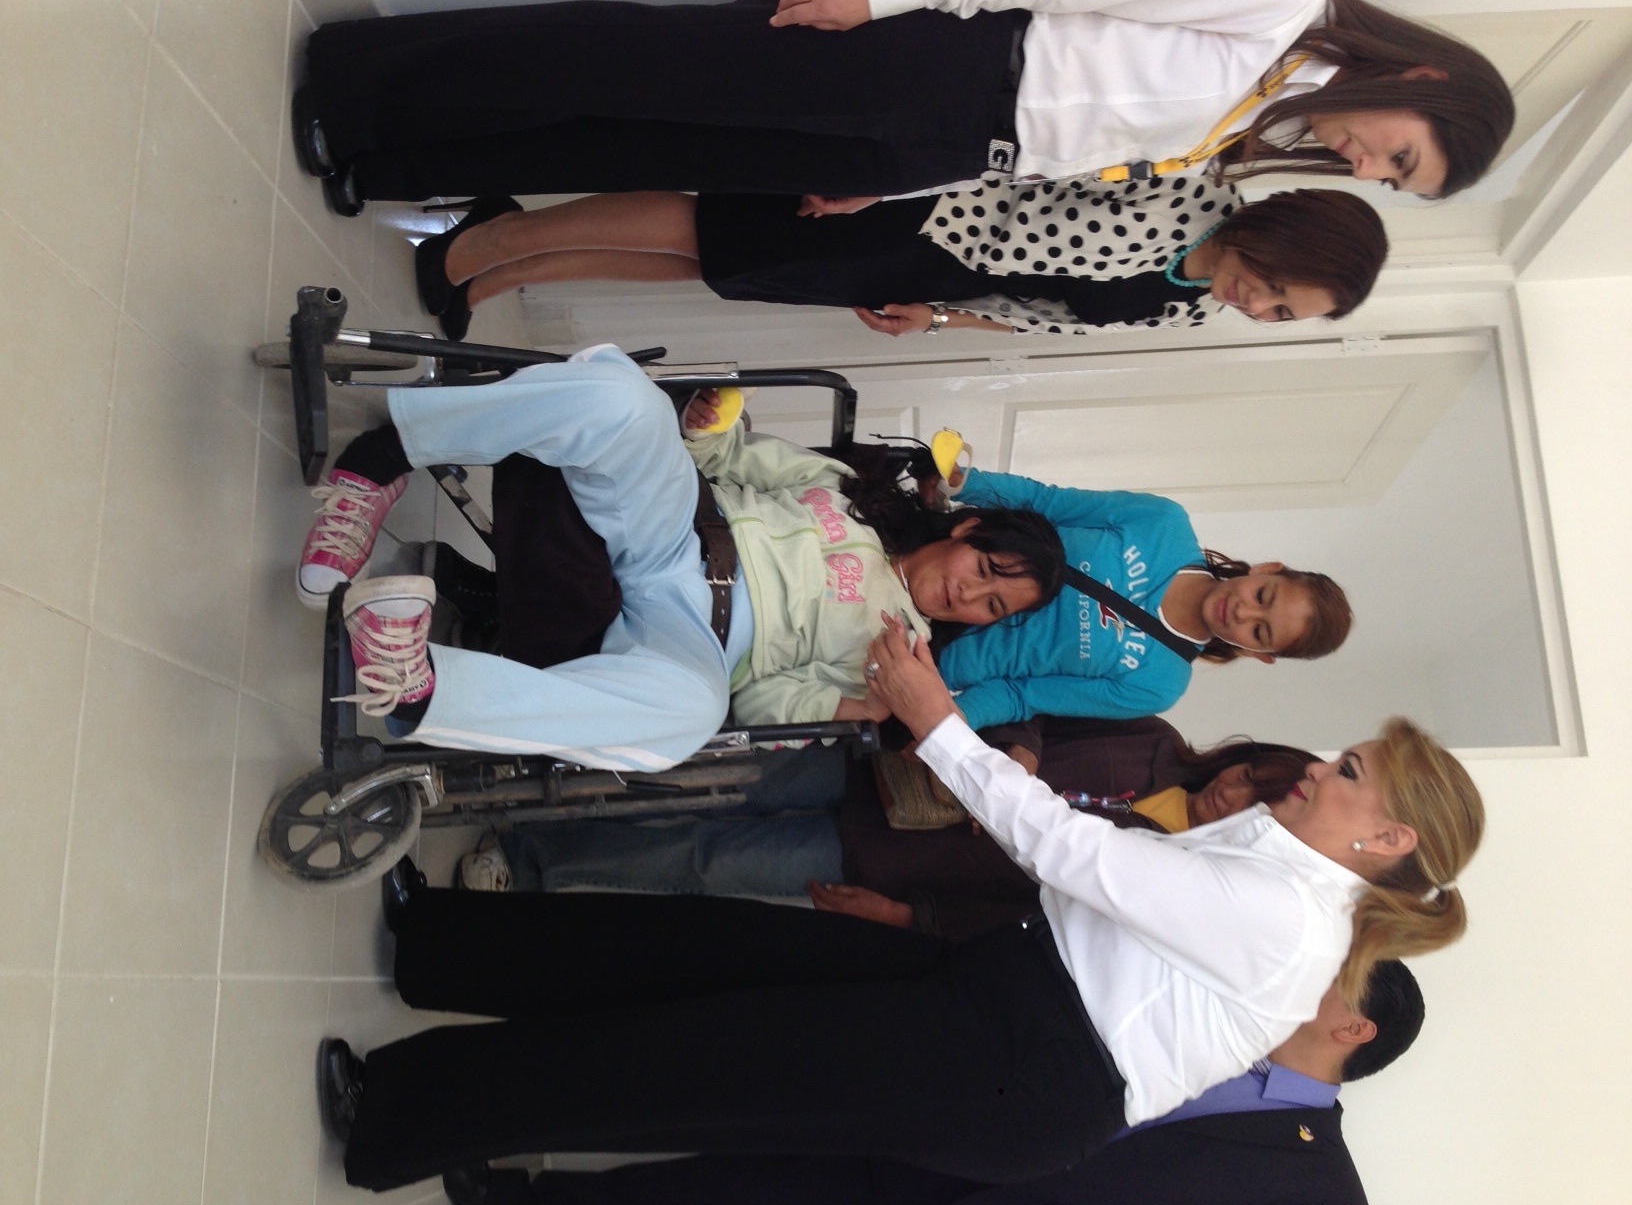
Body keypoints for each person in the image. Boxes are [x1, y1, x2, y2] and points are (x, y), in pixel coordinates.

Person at [314, 692, 1481, 1190]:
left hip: (1019, 1068)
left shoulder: (1295, 923)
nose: (1320, 767)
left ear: (1385, 837)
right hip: (996, 988)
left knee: (695, 1061)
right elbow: (1090, 896)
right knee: (703, 950)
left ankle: (393, 1114)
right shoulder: (1276, 863)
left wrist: (942, 729)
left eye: (1348, 771)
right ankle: (444, 943)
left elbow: (1080, 862)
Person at [295, 345, 1063, 771]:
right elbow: (724, 459)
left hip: (699, 645)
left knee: (688, 722)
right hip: (684, 532)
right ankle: (379, 460)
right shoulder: (845, 491)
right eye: (985, 574)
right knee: (622, 398)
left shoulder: (905, 662)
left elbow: (761, 707)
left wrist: (859, 707)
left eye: (991, 608)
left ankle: (418, 691)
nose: (968, 599)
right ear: (967, 533)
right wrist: (704, 424)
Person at [291, 0, 1514, 214]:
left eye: (1391, 185)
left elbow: (1059, 154)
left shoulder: (1255, 121)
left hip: (941, 140)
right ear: (1426, 81)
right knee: (637, 61)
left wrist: (890, 189)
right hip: (943, 57)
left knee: (641, 145)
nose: (1368, 172)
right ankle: (359, 85)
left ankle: (396, 166)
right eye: (1401, 159)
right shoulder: (1280, 2)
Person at [440, 959, 1423, 1205]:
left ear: (1355, 1028)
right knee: (730, 1160)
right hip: (945, 1119)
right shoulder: (1213, 1026)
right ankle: (517, 1189)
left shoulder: (1319, 1189)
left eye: (1331, 973)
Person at [467, 716, 1319, 947]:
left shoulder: (1183, 887)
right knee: (699, 779)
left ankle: (527, 860)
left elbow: (1035, 926)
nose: (1232, 793)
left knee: (707, 858)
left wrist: (908, 917)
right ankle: (513, 791)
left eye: (1256, 806)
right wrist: (1020, 755)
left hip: (893, 862)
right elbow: (1037, 705)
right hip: (885, 771)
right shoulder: (1155, 740)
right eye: (1250, 775)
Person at [413, 181, 1386, 343]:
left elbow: (1041, 318)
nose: (1257, 304)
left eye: (1278, 314)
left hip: (929, 276)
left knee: (717, 269)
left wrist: (940, 315)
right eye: (1275, 287)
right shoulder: (1185, 188)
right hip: (922, 212)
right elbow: (1037, 152)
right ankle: (486, 240)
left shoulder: (1186, 309)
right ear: (1279, 237)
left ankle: (506, 271)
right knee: (703, 225)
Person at [914, 460, 1353, 730]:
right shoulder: (1162, 522)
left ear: (1259, 654)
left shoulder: (1157, 687)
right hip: (936, 570)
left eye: (1259, 631)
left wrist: (948, 723)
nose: (1242, 612)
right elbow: (1044, 502)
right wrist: (964, 482)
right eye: (1263, 595)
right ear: (1267, 569)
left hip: (923, 653)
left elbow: (1022, 696)